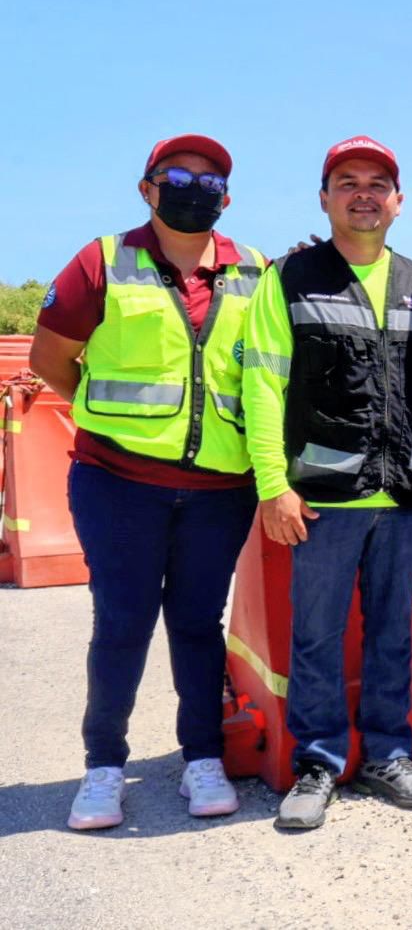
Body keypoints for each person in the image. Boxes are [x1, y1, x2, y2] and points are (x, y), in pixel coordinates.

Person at [31, 135, 265, 831]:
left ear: (227, 197)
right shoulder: (103, 260)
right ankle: (103, 767)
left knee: (197, 625)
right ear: (146, 187)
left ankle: (201, 757)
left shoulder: (253, 270)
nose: (193, 186)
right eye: (176, 174)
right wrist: (116, 422)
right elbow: (52, 359)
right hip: (117, 482)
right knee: (123, 623)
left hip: (221, 488)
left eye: (209, 177)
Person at [243, 136, 412, 830]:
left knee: (392, 634)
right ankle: (318, 764)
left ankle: (390, 756)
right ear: (325, 197)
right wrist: (273, 484)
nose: (362, 193)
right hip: (324, 497)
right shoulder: (290, 277)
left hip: (404, 494)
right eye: (346, 181)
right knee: (316, 635)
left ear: (398, 201)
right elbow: (264, 382)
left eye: (377, 183)